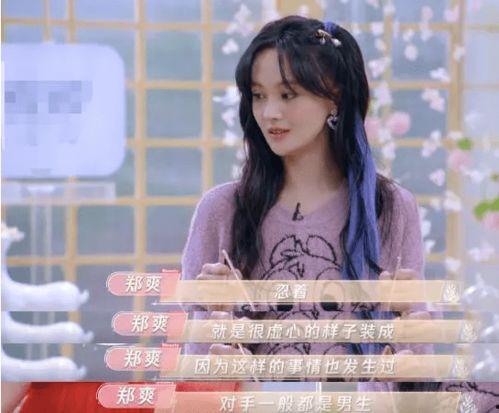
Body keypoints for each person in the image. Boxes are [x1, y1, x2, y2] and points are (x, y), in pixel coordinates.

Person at [182, 15, 427, 367]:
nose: (270, 112)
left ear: (335, 97)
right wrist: (214, 318)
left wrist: (412, 319)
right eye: (258, 95)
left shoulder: (390, 207)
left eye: (288, 94)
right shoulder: (222, 209)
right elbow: (195, 368)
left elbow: (416, 368)